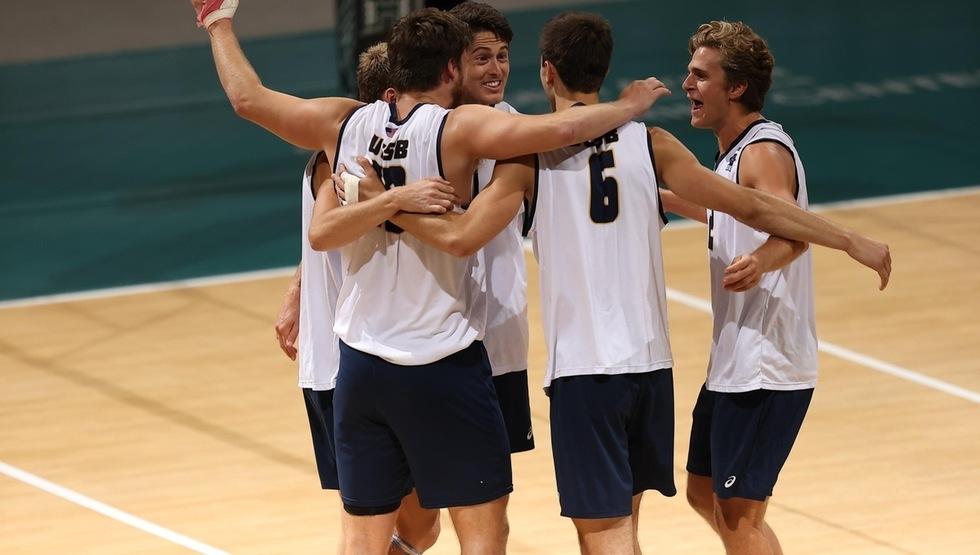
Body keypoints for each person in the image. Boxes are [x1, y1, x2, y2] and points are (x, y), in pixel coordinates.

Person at [341, 10, 890, 554]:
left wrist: (384, 203)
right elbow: (753, 206)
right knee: (631, 524)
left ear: (546, 71)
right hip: (651, 368)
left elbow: (462, 236)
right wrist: (847, 239)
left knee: (604, 536)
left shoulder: (528, 156)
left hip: (586, 371)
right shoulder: (653, 145)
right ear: (604, 72)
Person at [192, 2, 670, 553]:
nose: (492, 68)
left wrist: (217, 21)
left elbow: (248, 100)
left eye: (500, 57)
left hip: (364, 361)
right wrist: (626, 105)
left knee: (368, 533)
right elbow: (560, 128)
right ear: (451, 69)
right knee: (482, 530)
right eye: (478, 57)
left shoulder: (345, 123)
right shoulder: (465, 128)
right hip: (446, 358)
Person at [658, 20, 824, 555]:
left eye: (700, 76)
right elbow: (725, 212)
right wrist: (659, 195)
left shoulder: (762, 152)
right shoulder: (733, 154)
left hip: (766, 364)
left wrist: (760, 260)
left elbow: (793, 230)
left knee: (738, 517)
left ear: (736, 88)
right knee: (704, 492)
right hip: (734, 358)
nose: (688, 85)